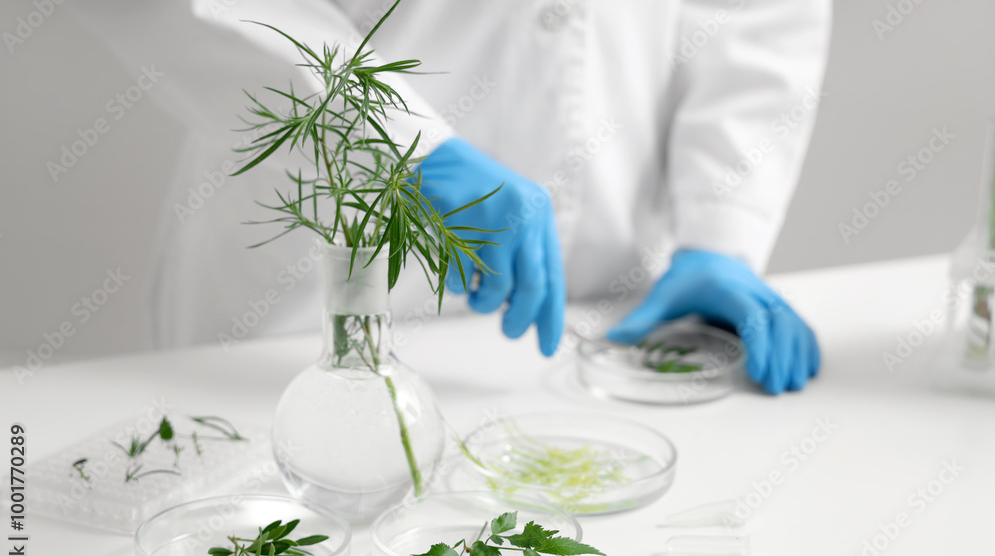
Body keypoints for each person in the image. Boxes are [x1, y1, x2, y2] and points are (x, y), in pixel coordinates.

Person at [74, 0, 830, 394]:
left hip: (612, 292)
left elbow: (754, 14)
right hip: (309, 282)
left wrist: (720, 223)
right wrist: (396, 144)